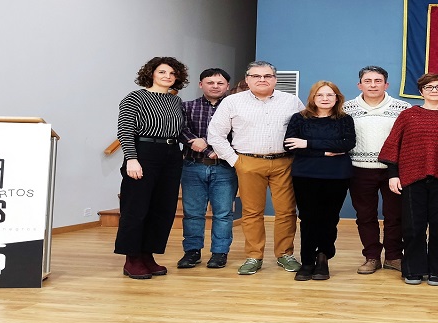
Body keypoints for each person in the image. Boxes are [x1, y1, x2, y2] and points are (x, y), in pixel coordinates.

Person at [207, 61, 305, 275]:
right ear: (248, 79)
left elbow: (306, 128)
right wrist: (235, 160)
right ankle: (253, 256)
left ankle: (285, 254)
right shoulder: (232, 102)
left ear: (275, 79)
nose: (262, 79)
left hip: (284, 162)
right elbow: (215, 134)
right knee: (251, 212)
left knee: (287, 212)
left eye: (267, 76)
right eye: (256, 76)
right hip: (248, 162)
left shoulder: (291, 101)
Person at [379, 73, 438, 286]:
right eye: (429, 87)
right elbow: (393, 145)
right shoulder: (408, 115)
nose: (434, 90)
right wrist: (393, 175)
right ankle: (413, 269)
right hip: (412, 177)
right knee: (412, 228)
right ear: (421, 92)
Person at [115, 56, 188, 280]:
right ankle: (132, 259)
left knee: (162, 209)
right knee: (136, 208)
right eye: (162, 72)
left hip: (171, 155)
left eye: (172, 73)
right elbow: (125, 130)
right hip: (143, 153)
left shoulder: (175, 101)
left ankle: (148, 256)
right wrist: (131, 159)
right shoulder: (135, 98)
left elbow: (179, 131)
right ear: (151, 74)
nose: (168, 76)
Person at [284, 81, 356, 281]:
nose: (325, 99)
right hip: (305, 175)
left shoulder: (344, 120)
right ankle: (307, 261)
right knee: (308, 218)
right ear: (313, 98)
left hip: (337, 175)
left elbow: (347, 144)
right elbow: (289, 145)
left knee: (329, 218)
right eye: (320, 95)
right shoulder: (299, 119)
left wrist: (308, 143)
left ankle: (323, 258)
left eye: (329, 95)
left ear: (337, 98)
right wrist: (326, 150)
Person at [342, 66, 410, 274]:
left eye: (378, 81)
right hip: (359, 170)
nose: (373, 85)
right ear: (359, 84)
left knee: (395, 216)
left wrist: (397, 169)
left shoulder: (403, 108)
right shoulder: (346, 108)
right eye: (368, 81)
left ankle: (393, 256)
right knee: (365, 216)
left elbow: (406, 141)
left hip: (392, 172)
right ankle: (371, 257)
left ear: (386, 84)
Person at [177, 68, 236, 270]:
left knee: (223, 213)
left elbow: (241, 134)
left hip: (225, 168)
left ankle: (219, 253)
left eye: (220, 83)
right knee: (193, 213)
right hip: (193, 166)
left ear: (227, 86)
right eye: (210, 82)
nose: (215, 86)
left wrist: (219, 150)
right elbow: (181, 130)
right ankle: (192, 252)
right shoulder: (187, 107)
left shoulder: (234, 108)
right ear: (201, 84)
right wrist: (203, 147)